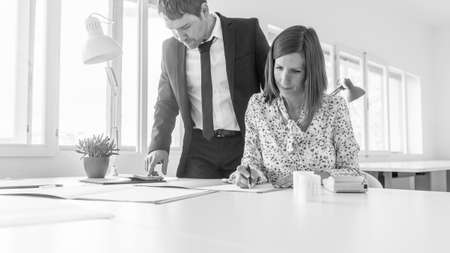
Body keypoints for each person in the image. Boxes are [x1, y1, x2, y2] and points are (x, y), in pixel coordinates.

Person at [145, 0, 269, 178]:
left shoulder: (247, 31)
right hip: (198, 149)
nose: (180, 36)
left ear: (204, 10)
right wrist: (158, 145)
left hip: (244, 146)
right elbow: (166, 103)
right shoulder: (170, 49)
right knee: (194, 204)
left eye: (185, 26)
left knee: (245, 204)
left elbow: (273, 89)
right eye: (172, 29)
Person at [229, 25, 360, 188]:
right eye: (279, 68)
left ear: (311, 72)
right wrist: (250, 175)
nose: (284, 80)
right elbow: (252, 162)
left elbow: (352, 171)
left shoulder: (334, 107)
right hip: (272, 206)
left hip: (323, 207)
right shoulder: (257, 106)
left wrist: (308, 178)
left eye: (295, 71)